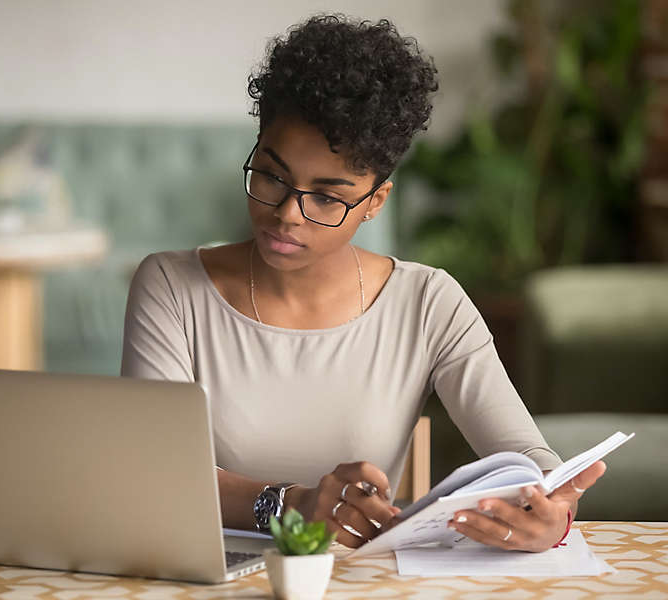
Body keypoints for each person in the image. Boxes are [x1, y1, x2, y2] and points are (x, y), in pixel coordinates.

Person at [121, 14, 605, 552]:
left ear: (375, 202)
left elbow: (525, 455)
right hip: (207, 577)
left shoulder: (428, 303)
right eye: (271, 175)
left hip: (362, 580)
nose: (287, 214)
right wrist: (291, 505)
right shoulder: (170, 286)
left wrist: (551, 511)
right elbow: (152, 470)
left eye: (327, 196)